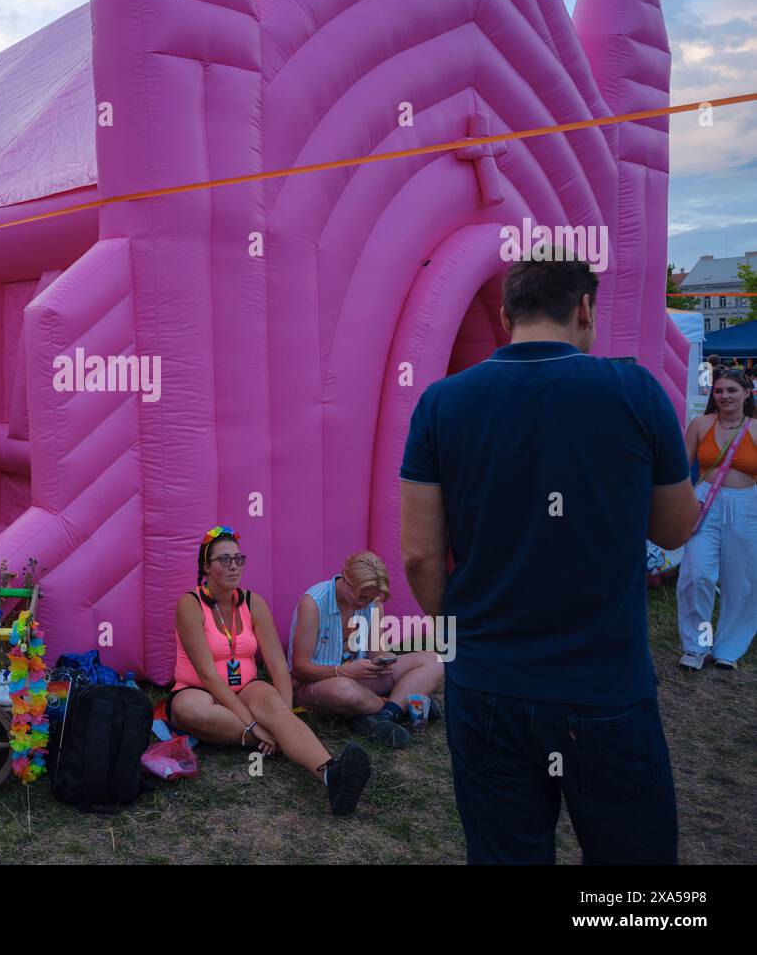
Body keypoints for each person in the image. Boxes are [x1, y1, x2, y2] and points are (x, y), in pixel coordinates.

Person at [400, 259, 698, 865]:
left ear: (506, 316)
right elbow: (674, 527)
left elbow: (420, 554)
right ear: (584, 309)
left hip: (488, 684)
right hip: (604, 686)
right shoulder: (635, 389)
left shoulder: (441, 402)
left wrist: (464, 628)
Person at [168, 526, 371, 816]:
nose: (234, 566)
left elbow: (277, 665)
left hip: (248, 686)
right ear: (206, 567)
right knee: (195, 712)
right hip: (199, 690)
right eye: (224, 560)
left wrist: (284, 714)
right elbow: (208, 675)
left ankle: (332, 774)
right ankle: (274, 738)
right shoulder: (190, 604)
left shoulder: (253, 602)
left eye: (238, 559)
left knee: (276, 707)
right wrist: (253, 725)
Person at [290, 551, 444, 748]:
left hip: (357, 675)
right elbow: (299, 669)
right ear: (345, 578)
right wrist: (341, 671)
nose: (364, 602)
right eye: (361, 596)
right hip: (317, 685)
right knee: (345, 691)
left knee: (434, 661)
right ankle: (399, 704)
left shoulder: (373, 602)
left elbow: (375, 652)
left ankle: (384, 714)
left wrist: (382, 659)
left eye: (370, 598)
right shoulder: (313, 603)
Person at [677, 368, 757, 670]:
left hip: (747, 506)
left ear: (747, 393)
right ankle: (696, 646)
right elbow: (682, 468)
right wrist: (681, 502)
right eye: (719, 390)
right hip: (704, 503)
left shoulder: (755, 428)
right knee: (697, 575)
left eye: (732, 391)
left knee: (743, 581)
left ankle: (729, 648)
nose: (724, 396)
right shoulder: (700, 424)